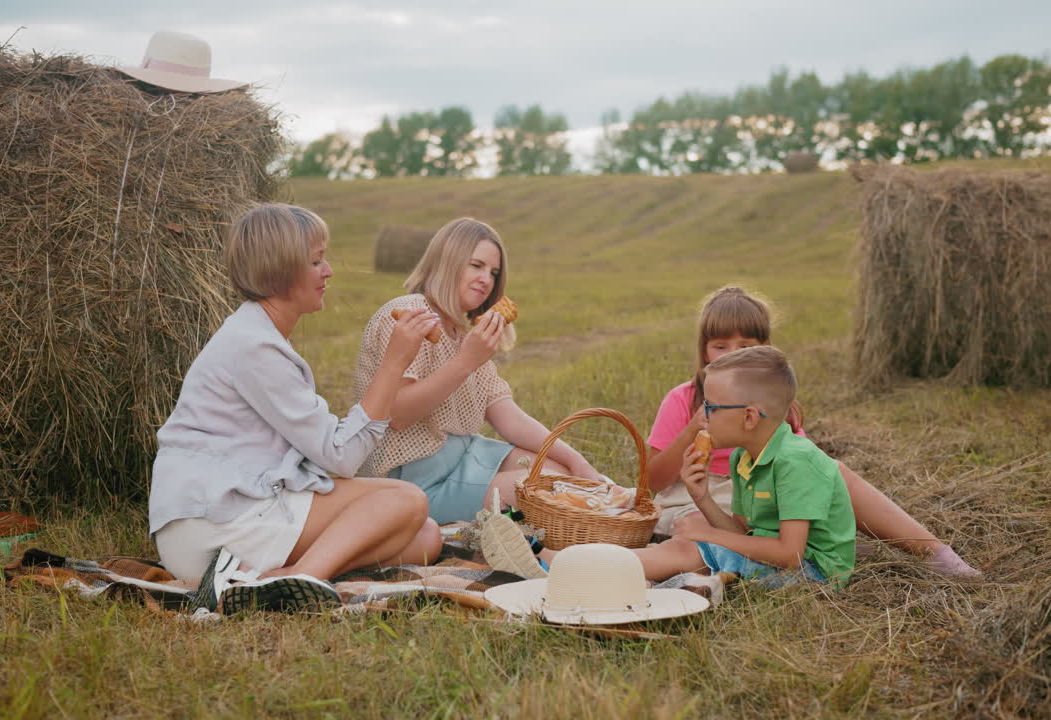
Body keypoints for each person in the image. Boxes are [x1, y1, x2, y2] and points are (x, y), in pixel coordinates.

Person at [149, 204, 444, 612]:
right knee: (407, 501)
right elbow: (341, 457)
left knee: (426, 538)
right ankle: (300, 579)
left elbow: (324, 450)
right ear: (281, 271)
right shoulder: (254, 347)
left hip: (237, 513)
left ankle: (277, 576)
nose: (329, 272)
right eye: (316, 261)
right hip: (211, 525)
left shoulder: (257, 335)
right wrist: (394, 362)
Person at [646, 286, 980, 578]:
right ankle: (665, 565)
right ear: (704, 350)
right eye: (721, 347)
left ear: (764, 350)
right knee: (697, 533)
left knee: (835, 472)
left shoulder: (774, 409)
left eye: (745, 346)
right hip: (697, 494)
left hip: (758, 493)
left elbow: (802, 472)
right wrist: (692, 430)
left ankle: (932, 552)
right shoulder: (684, 399)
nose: (734, 355)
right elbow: (652, 483)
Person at [490, 346, 856, 588]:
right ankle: (573, 562)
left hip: (815, 573)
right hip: (783, 558)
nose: (704, 416)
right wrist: (705, 501)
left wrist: (710, 536)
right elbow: (745, 533)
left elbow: (790, 554)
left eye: (712, 407)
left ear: (748, 417)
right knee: (692, 543)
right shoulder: (744, 457)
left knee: (691, 550)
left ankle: (563, 566)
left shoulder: (795, 460)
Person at [353, 217, 603, 524]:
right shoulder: (409, 314)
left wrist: (579, 462)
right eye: (476, 265)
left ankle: (523, 526)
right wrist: (466, 362)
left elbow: (508, 416)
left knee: (561, 472)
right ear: (448, 262)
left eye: (494, 273)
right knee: (542, 490)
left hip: (463, 457)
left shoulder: (464, 334)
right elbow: (398, 414)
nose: (487, 279)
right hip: (411, 478)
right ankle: (512, 533)